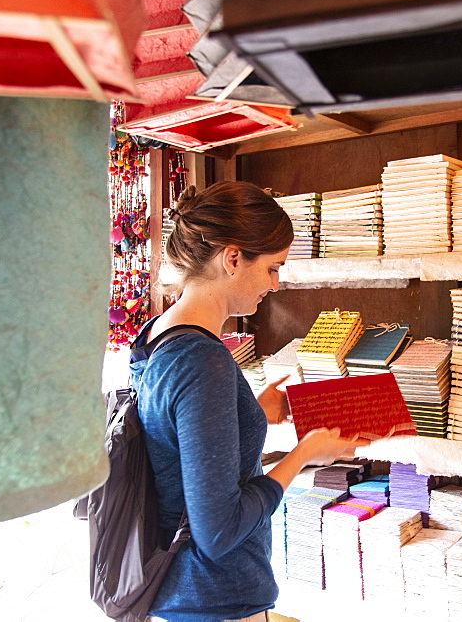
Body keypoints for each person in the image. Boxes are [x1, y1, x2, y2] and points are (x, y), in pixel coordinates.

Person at [132, 181, 369, 622]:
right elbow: (219, 532)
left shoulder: (156, 335)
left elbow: (172, 438)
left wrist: (252, 411)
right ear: (234, 258)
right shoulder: (204, 359)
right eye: (273, 268)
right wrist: (304, 454)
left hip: (175, 589)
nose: (276, 285)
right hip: (216, 598)